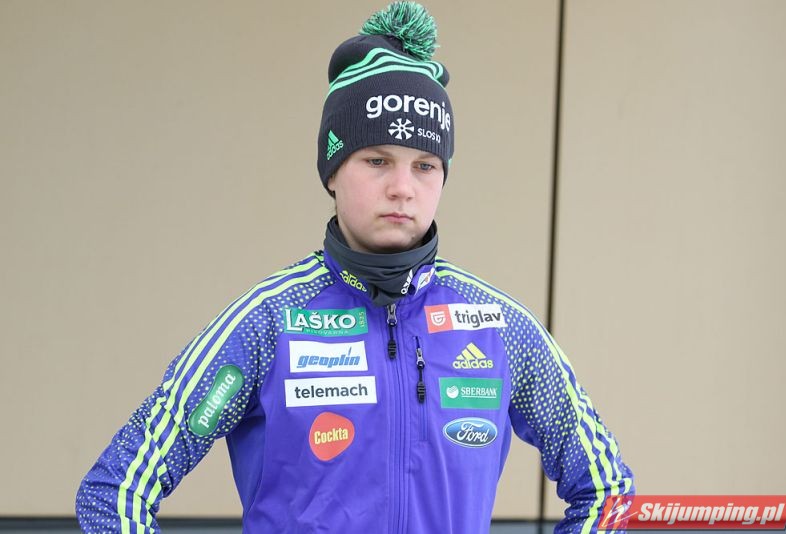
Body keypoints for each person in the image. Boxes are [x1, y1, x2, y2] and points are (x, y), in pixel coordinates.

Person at [76, 2, 634, 532]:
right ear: (332, 171)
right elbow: (116, 491)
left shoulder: (498, 327)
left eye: (424, 165)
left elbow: (607, 491)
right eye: (377, 160)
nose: (402, 188)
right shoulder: (267, 322)